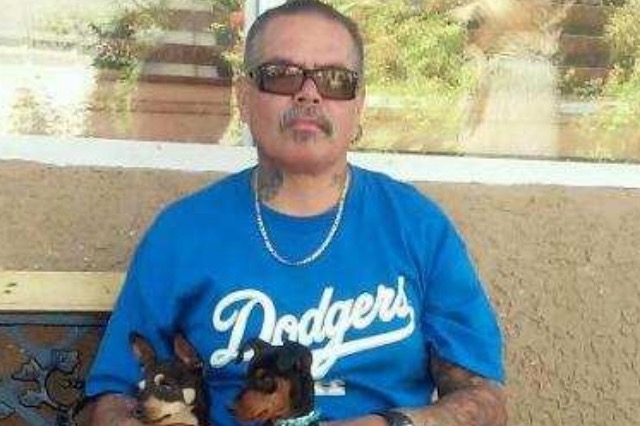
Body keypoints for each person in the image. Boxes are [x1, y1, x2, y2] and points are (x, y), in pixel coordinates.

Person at [86, 1, 506, 425]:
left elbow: (484, 400)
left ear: (359, 104)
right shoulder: (180, 234)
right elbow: (113, 399)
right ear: (244, 98)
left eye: (335, 80)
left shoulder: (418, 226)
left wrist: (389, 424)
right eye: (282, 75)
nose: (309, 93)